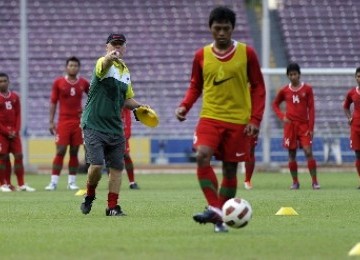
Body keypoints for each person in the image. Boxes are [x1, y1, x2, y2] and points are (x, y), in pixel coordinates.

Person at [175, 6, 266, 232]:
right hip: (210, 117)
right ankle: (216, 209)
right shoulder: (201, 55)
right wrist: (185, 105)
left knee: (229, 170)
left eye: (226, 28)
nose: (222, 33)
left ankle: (220, 218)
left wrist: (255, 120)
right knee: (202, 156)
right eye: (218, 28)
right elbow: (196, 85)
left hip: (238, 121)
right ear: (211, 29)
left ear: (233, 29)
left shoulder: (248, 53)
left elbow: (258, 87)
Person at [80, 33, 146, 216]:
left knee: (117, 167)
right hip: (94, 123)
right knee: (96, 166)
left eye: (120, 45)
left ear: (125, 48)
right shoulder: (102, 62)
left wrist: (140, 107)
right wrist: (110, 57)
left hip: (115, 127)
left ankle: (112, 207)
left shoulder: (125, 71)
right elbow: (104, 66)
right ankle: (90, 195)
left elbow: (127, 99)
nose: (117, 48)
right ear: (107, 47)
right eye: (113, 45)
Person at [272, 63, 320, 190]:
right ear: (288, 76)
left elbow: (311, 109)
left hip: (304, 126)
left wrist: (311, 127)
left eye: (295, 74)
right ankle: (295, 182)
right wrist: (282, 117)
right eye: (291, 74)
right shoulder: (284, 90)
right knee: (291, 154)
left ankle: (315, 181)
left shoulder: (307, 89)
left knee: (308, 152)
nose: (293, 76)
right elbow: (275, 104)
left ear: (299, 74)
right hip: (290, 126)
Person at [45, 57, 90, 191]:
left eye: (75, 65)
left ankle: (71, 182)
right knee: (60, 150)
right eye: (70, 65)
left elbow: (92, 97)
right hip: (63, 121)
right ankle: (53, 182)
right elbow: (53, 102)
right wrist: (51, 121)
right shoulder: (58, 82)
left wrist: (86, 111)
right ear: (66, 67)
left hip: (77, 122)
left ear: (79, 68)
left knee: (74, 151)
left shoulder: (83, 82)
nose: (73, 68)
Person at [0, 72, 35, 192]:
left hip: (14, 132)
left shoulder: (15, 97)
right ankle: (3, 184)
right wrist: (5, 131)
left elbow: (18, 114)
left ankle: (21, 184)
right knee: (3, 157)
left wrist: (16, 130)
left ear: (8, 82)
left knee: (19, 156)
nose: (3, 83)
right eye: (0, 81)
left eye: (4, 81)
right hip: (1, 133)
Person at [343, 67, 360, 189]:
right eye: (358, 76)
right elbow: (345, 106)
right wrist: (349, 117)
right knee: (358, 155)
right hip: (356, 127)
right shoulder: (352, 93)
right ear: (355, 77)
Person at [121, 108, 140, 190]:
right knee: (108, 157)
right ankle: (111, 181)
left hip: (122, 131)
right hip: (108, 129)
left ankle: (132, 182)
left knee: (126, 155)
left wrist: (127, 133)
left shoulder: (124, 99)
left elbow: (127, 117)